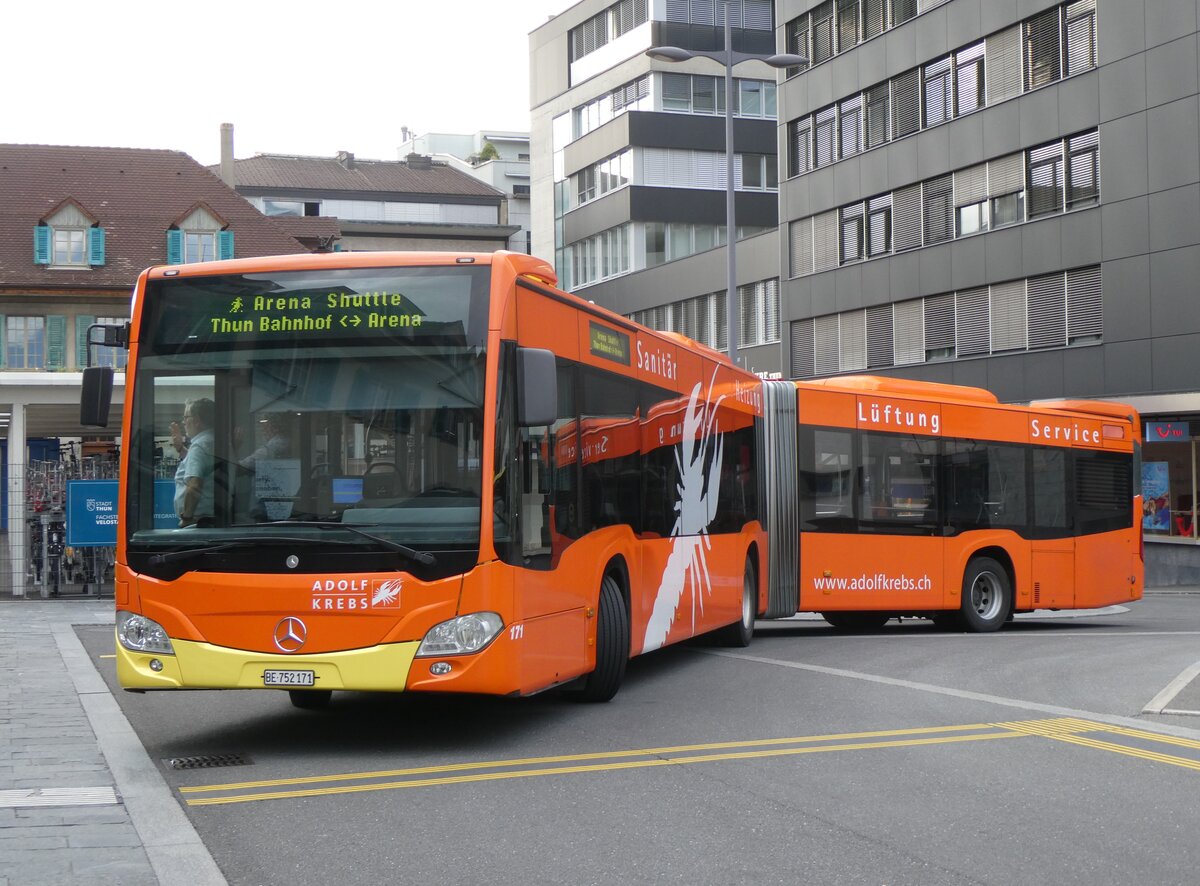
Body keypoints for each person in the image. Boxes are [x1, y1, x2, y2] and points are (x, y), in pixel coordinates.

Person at [174, 398, 215, 527]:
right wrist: (181, 449)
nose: (183, 422)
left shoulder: (199, 446)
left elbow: (195, 485)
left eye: (186, 417)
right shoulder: (213, 441)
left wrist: (186, 517)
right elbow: (203, 465)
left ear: (196, 421)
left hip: (197, 522)